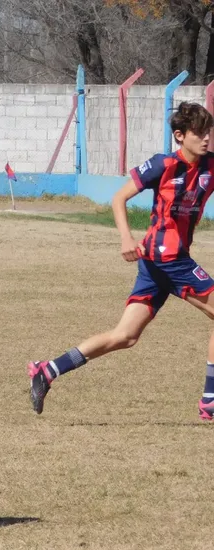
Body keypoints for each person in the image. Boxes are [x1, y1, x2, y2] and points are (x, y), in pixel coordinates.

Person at [29, 102, 214, 419]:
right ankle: (210, 399)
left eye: (209, 131)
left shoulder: (210, 166)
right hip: (165, 256)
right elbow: (119, 197)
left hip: (159, 264)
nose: (206, 138)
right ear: (180, 136)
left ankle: (48, 370)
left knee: (125, 336)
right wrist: (126, 237)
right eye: (199, 132)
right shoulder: (163, 164)